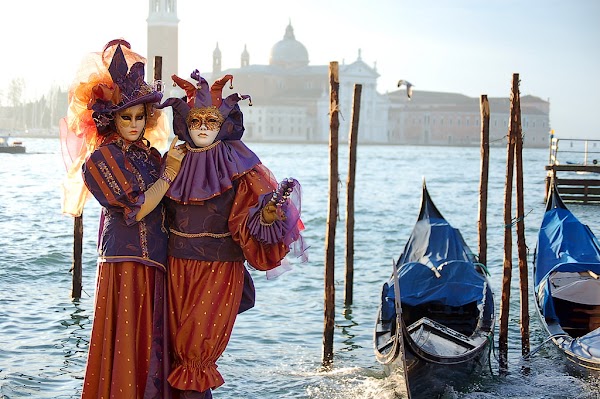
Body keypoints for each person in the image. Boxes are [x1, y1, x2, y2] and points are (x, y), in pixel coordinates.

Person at [157, 70, 308, 399]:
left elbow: (250, 213)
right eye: (197, 121)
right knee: (175, 348)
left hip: (219, 269)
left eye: (210, 122)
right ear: (185, 122)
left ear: (222, 124)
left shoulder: (237, 163)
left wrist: (267, 214)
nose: (202, 128)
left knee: (197, 349)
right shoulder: (174, 159)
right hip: (175, 266)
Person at [61, 39, 186, 398]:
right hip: (125, 260)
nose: (134, 124)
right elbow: (138, 208)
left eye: (139, 116)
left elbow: (172, 198)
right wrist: (169, 173)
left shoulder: (148, 155)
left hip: (155, 260)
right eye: (126, 117)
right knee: (127, 343)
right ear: (111, 118)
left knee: (153, 341)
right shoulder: (101, 159)